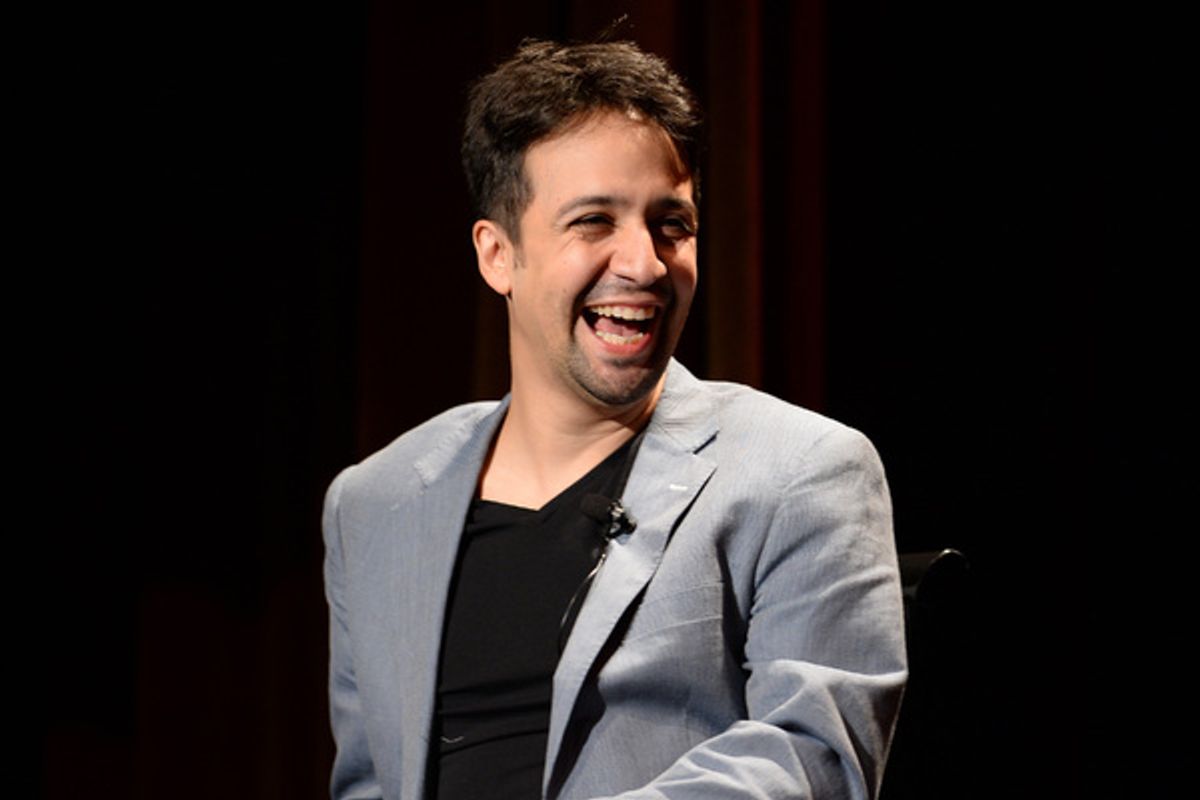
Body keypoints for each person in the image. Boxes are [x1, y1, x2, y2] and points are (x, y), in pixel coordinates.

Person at [322, 39, 906, 800]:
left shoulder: (802, 471)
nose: (646, 264)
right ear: (498, 255)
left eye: (672, 224)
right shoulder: (374, 503)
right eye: (594, 221)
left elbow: (813, 754)